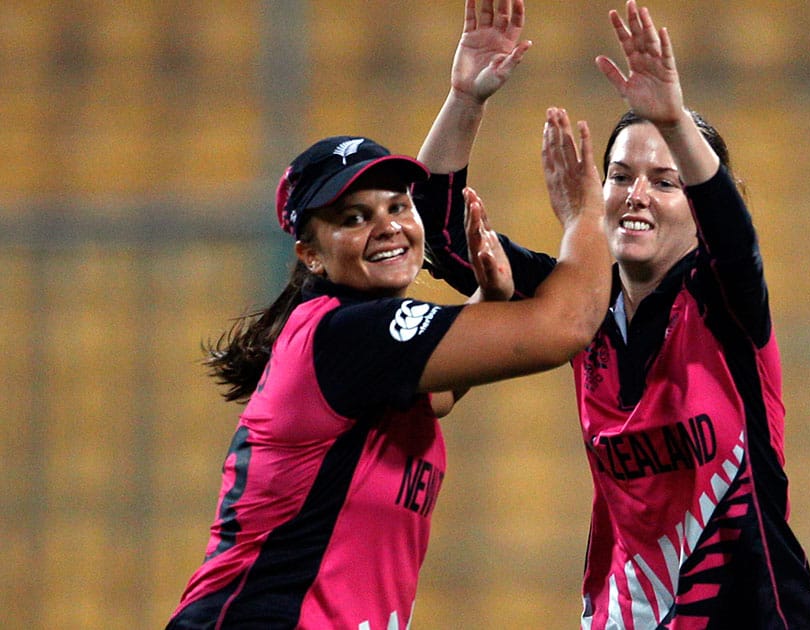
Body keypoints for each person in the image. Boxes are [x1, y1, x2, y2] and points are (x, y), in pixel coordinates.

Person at [418, 1, 810, 628]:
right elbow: (444, 240)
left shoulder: (723, 304)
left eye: (665, 182)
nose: (636, 194)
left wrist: (672, 116)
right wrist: (464, 99)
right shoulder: (580, 300)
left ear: (696, 208)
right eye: (619, 175)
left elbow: (736, 241)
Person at [165, 90, 610, 630]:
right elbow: (566, 326)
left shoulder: (351, 342)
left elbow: (435, 398)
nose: (388, 226)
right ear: (311, 255)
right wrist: (585, 213)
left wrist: (466, 96)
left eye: (397, 205)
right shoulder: (347, 334)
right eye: (354, 217)